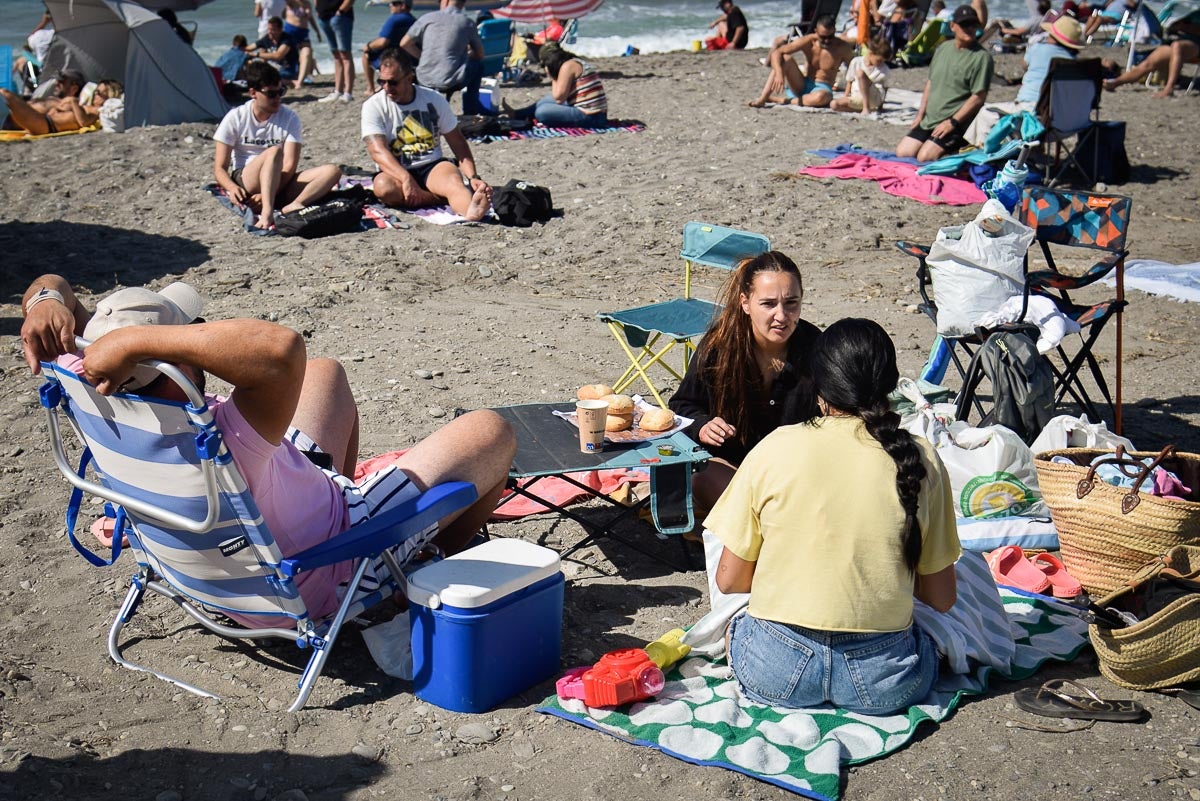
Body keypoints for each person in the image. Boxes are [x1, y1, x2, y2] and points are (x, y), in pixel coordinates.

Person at [19, 274, 516, 631]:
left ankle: (330, 500)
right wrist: (149, 339)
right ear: (181, 362)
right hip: (318, 573)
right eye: (191, 332)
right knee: (491, 431)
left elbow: (53, 284)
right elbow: (279, 350)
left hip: (222, 572)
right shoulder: (226, 432)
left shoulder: (90, 396)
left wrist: (44, 299)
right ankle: (432, 561)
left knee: (325, 373)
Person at [709, 317, 960, 714]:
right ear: (891, 384)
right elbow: (942, 599)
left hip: (775, 674)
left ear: (819, 384)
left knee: (736, 626)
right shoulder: (921, 458)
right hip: (885, 682)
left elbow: (730, 580)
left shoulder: (776, 448)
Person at [668, 252, 821, 516]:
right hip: (734, 470)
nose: (781, 315)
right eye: (768, 304)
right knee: (702, 477)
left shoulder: (816, 347)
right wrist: (703, 426)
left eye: (791, 303)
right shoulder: (719, 347)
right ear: (745, 303)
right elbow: (682, 406)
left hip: (795, 474)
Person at [361, 49, 492, 221]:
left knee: (454, 183)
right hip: (396, 169)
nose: (386, 88)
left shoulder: (433, 99)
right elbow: (377, 151)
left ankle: (471, 212)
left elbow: (457, 142)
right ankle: (434, 197)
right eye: (382, 82)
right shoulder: (374, 105)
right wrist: (405, 177)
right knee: (383, 188)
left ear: (409, 78)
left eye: (392, 82)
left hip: (431, 165)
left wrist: (473, 176)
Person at [213, 61, 341, 230]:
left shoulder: (289, 117)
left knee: (333, 171)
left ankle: (294, 204)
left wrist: (269, 194)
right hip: (247, 177)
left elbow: (289, 165)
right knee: (273, 152)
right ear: (253, 93)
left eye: (280, 92)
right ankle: (267, 212)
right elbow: (219, 168)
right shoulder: (236, 117)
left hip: (280, 179)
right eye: (271, 94)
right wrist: (232, 188)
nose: (277, 99)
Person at [896, 4, 994, 162]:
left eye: (973, 25)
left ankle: (959, 146)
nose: (969, 29)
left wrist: (952, 122)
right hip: (930, 119)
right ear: (953, 26)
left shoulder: (981, 57)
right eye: (964, 25)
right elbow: (930, 82)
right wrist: (920, 115)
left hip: (955, 122)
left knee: (925, 157)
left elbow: (978, 97)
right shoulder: (943, 48)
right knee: (903, 152)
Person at [965, 14, 1081, 146]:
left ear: (1052, 34)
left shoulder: (1038, 48)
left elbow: (1024, 64)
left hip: (1033, 116)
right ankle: (1033, 151)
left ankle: (984, 156)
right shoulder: (1074, 63)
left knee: (985, 112)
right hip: (1065, 123)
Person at [400, 0, 488, 115]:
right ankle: (470, 112)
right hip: (451, 81)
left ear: (445, 1)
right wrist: (466, 56)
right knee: (478, 66)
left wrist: (422, 57)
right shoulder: (467, 23)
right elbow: (480, 55)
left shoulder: (426, 18)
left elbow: (404, 44)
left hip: (423, 79)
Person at [749, 15, 854, 108]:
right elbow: (777, 52)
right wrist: (779, 73)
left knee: (822, 97)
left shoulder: (842, 47)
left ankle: (780, 100)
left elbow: (853, 68)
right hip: (802, 83)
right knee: (785, 58)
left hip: (822, 88)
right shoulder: (809, 41)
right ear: (816, 31)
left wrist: (848, 92)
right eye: (823, 37)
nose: (826, 41)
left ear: (835, 31)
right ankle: (763, 99)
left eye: (830, 37)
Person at [500, 42, 608, 127]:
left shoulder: (567, 67)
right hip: (596, 113)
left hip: (592, 117)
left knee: (542, 112)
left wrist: (552, 75)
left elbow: (559, 98)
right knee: (545, 100)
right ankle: (517, 114)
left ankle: (518, 115)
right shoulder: (573, 62)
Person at [1104, 16, 1200, 97]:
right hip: (1176, 43)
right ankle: (1116, 82)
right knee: (1148, 63)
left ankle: (1169, 87)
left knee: (1177, 46)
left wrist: (1190, 28)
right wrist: (1178, 27)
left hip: (1196, 45)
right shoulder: (1191, 13)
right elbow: (1171, 28)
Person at [0, 69, 94, 136]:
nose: (56, 83)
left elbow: (84, 120)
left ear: (74, 88)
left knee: (5, 93)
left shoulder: (74, 104)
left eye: (61, 82)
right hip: (12, 116)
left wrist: (72, 102)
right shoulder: (54, 99)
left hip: (18, 121)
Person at [362, 0, 417, 95]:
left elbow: (383, 42)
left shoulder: (394, 20)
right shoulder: (414, 20)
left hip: (393, 58)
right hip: (411, 59)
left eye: (394, 3)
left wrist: (368, 46)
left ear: (403, 5)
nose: (390, 5)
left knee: (366, 55)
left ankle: (370, 88)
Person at [831, 36, 893, 114]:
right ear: (870, 53)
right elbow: (850, 81)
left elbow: (885, 87)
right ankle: (861, 109)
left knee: (860, 74)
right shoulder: (857, 61)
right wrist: (846, 96)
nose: (881, 63)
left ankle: (866, 108)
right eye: (879, 60)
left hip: (874, 97)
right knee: (834, 104)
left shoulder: (884, 69)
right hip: (857, 96)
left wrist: (881, 106)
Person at [316, 0, 355, 103]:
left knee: (345, 54)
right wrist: (318, 10)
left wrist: (341, 11)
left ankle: (348, 92)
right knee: (336, 55)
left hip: (340, 16)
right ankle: (338, 90)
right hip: (324, 16)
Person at [283, 0, 322, 90]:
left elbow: (310, 18)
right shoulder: (292, 2)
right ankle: (293, 77)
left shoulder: (307, 3)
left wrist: (317, 31)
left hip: (303, 33)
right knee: (292, 56)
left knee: (307, 53)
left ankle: (300, 82)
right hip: (290, 31)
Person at [251, 16, 301, 83]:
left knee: (273, 76)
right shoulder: (267, 38)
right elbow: (250, 47)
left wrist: (256, 54)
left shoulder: (287, 39)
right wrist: (241, 48)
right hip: (274, 69)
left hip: (289, 69)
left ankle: (290, 81)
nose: (270, 32)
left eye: (273, 30)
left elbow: (278, 56)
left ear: (280, 29)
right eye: (268, 29)